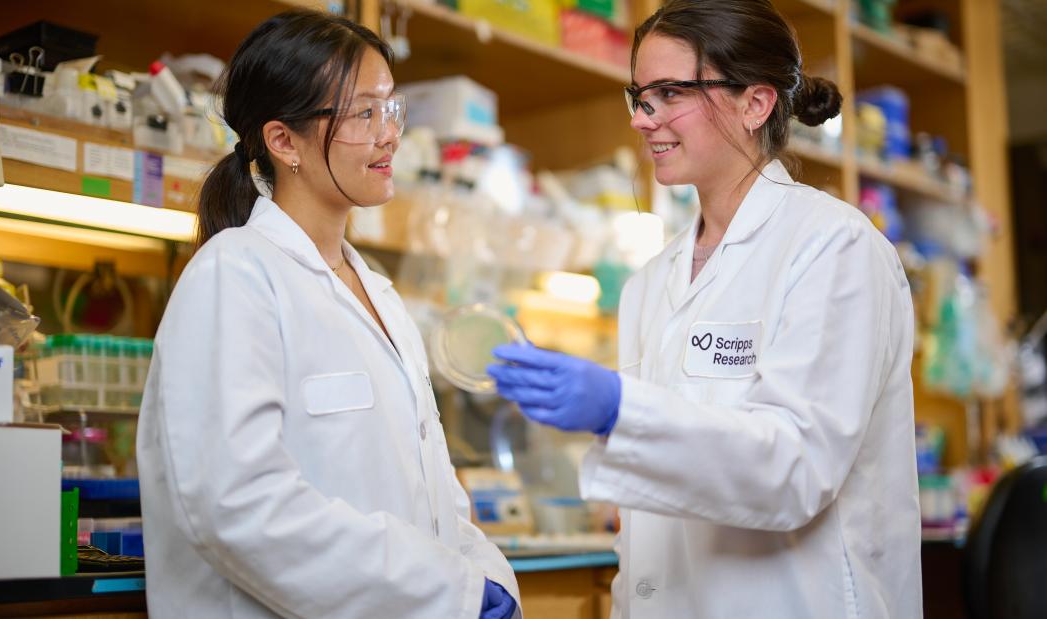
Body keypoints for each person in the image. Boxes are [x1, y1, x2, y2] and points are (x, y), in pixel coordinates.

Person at [487, 0, 922, 617]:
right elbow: (645, 522)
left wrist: (620, 410)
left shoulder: (834, 248)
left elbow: (796, 468)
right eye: (639, 96)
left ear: (755, 103)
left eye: (669, 93)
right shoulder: (649, 282)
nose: (643, 119)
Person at [136, 11, 519, 618]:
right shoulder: (234, 275)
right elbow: (240, 505)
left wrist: (489, 581)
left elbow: (440, 500)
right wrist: (448, 594)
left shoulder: (381, 297)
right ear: (283, 141)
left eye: (389, 108)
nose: (389, 134)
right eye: (362, 113)